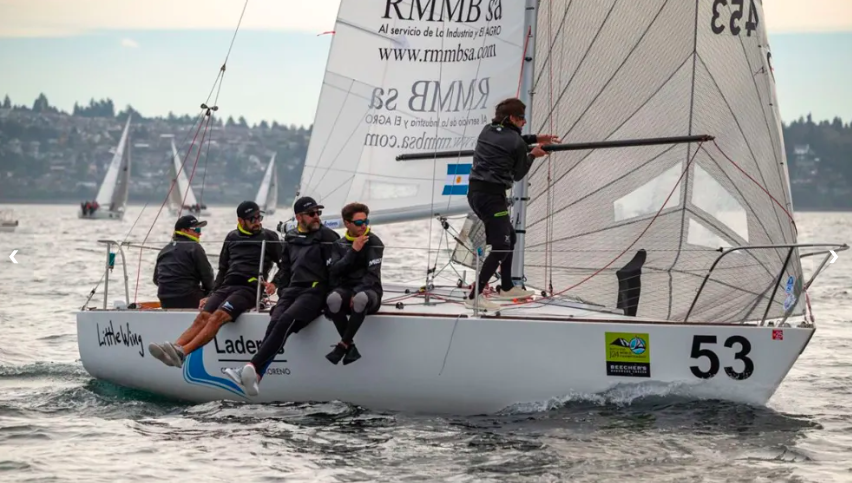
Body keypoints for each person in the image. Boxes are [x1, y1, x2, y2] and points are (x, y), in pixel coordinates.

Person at [225, 196, 340, 395]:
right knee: (275, 321)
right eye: (311, 213)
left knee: (285, 320)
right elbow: (285, 269)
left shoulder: (329, 237)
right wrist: (277, 286)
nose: (316, 217)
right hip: (293, 290)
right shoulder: (292, 237)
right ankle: (257, 376)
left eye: (318, 213)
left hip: (315, 291)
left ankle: (250, 367)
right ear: (299, 217)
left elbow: (337, 270)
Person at [148, 201, 282, 368]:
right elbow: (223, 270)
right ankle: (173, 349)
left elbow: (287, 265)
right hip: (227, 286)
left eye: (259, 217)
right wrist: (210, 295)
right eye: (252, 218)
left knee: (217, 317)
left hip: (249, 288)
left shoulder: (269, 237)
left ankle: (183, 352)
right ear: (241, 221)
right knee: (202, 317)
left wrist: (275, 283)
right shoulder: (231, 237)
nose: (257, 221)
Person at [465, 97, 558, 311]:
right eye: (521, 118)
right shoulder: (516, 143)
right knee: (501, 247)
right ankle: (474, 295)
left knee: (511, 237)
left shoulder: (488, 130)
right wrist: (533, 155)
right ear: (512, 118)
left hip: (477, 193)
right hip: (491, 197)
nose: (524, 122)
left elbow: (510, 140)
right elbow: (518, 174)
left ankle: (506, 287)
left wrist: (535, 138)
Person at [323, 202, 384, 365]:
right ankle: (351, 348)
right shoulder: (339, 245)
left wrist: (357, 291)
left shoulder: (374, 242)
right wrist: (354, 251)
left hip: (370, 291)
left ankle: (342, 345)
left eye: (366, 221)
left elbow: (372, 275)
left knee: (360, 299)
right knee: (332, 300)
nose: (363, 225)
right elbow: (335, 271)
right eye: (359, 222)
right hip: (346, 289)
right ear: (347, 223)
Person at [152, 214, 214, 309]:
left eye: (200, 230)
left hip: (165, 300)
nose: (199, 233)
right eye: (196, 230)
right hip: (189, 300)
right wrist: (210, 293)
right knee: (217, 293)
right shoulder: (195, 248)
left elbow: (156, 279)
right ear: (184, 231)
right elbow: (208, 277)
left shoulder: (164, 250)